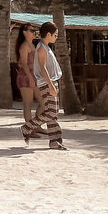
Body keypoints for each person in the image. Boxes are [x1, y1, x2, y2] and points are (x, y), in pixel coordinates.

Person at [22, 22, 66, 150]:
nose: (56, 37)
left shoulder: (46, 47)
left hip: (51, 83)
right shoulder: (42, 48)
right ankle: (28, 127)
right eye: (55, 34)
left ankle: (55, 141)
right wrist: (50, 85)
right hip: (47, 84)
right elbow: (43, 68)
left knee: (53, 113)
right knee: (51, 112)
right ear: (48, 34)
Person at [12, 23, 39, 124]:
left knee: (41, 102)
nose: (33, 32)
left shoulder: (32, 45)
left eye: (34, 30)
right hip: (25, 76)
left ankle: (35, 125)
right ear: (24, 32)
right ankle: (30, 128)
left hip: (34, 76)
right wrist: (30, 78)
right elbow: (23, 63)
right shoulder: (24, 46)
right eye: (31, 30)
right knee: (28, 103)